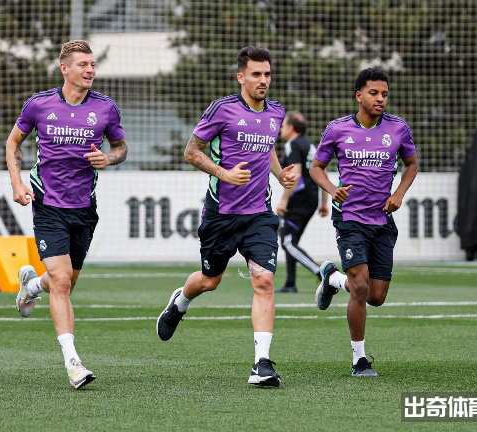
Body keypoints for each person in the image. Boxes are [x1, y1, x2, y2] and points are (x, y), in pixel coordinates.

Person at [155, 46, 295, 387]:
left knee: (264, 280)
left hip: (259, 214)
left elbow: (267, 148)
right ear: (241, 77)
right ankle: (180, 301)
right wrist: (224, 174)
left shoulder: (276, 111)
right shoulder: (222, 109)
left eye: (267, 74)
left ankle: (262, 364)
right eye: (256, 74)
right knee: (209, 281)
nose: (263, 80)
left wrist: (279, 175)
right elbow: (191, 152)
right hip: (221, 214)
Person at [5, 40, 127, 389]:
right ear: (65, 68)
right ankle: (73, 362)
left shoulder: (106, 108)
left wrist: (109, 158)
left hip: (84, 208)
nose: (90, 70)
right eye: (83, 64)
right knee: (60, 281)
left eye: (93, 64)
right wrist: (17, 183)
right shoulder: (39, 104)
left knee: (65, 283)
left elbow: (120, 147)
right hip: (48, 204)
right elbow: (13, 143)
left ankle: (31, 286)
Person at [309, 68, 418, 377]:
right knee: (359, 287)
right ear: (359, 95)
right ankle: (359, 360)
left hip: (382, 220)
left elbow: (411, 164)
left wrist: (398, 193)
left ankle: (332, 279)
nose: (380, 99)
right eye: (374, 93)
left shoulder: (398, 128)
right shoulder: (337, 129)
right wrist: (333, 190)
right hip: (350, 219)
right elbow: (316, 168)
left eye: (384, 94)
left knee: (376, 296)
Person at [275, 111, 330, 293]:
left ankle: (322, 273)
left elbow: (295, 174)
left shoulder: (292, 144)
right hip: (311, 199)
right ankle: (290, 283)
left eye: (283, 126)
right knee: (292, 240)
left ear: (291, 128)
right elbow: (323, 172)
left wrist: (283, 201)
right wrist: (323, 202)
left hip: (299, 199)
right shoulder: (310, 145)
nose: (280, 129)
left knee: (287, 242)